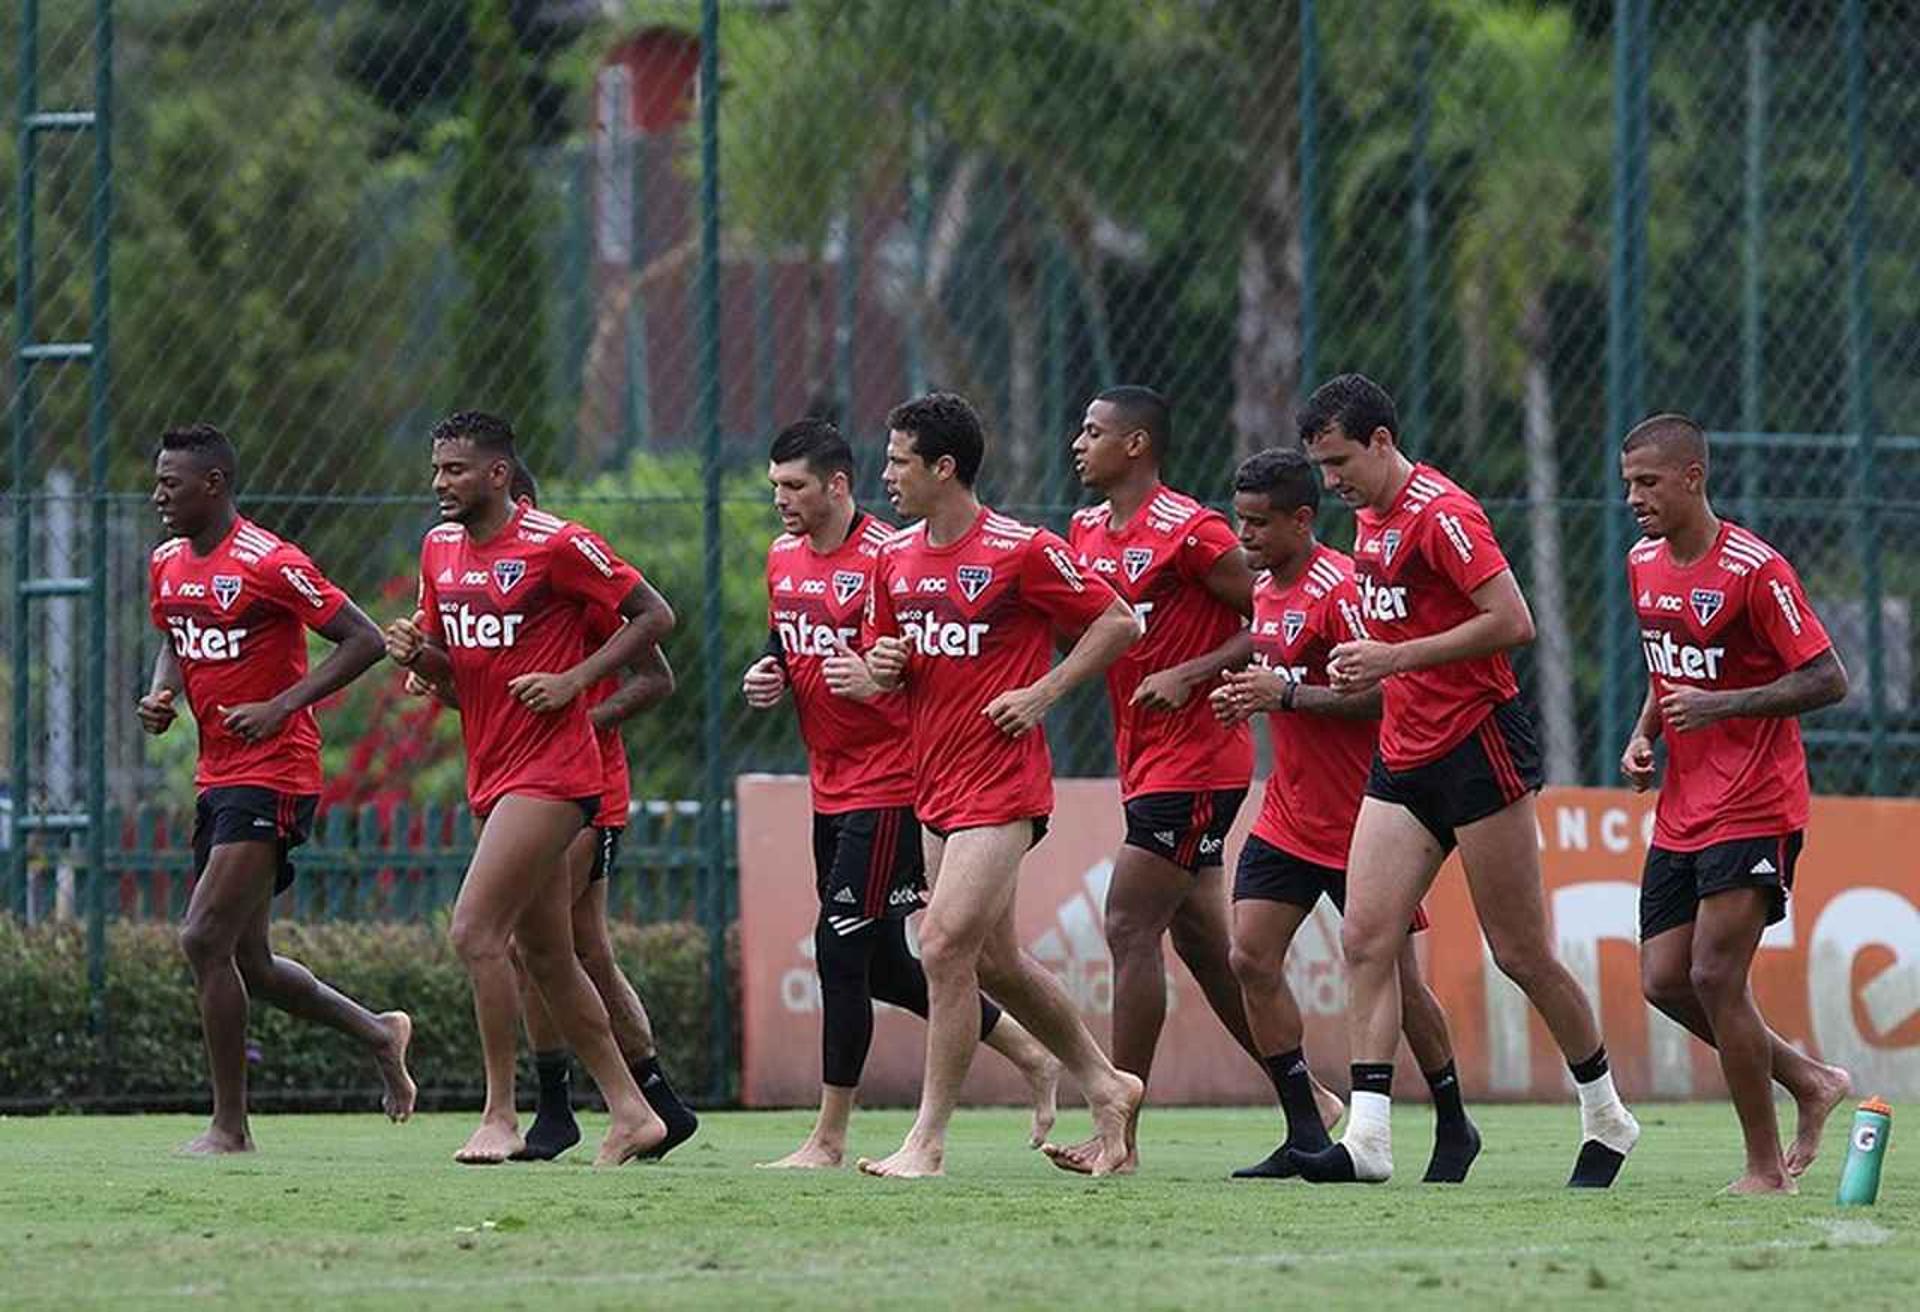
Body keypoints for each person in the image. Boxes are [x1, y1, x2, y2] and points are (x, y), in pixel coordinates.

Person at [1286, 374, 1638, 1187]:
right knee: (1366, 938)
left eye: (1339, 461)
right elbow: (1403, 626)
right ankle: (1369, 1142)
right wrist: (1366, 666)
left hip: (1479, 746)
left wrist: (1395, 656)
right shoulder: (1368, 518)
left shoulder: (1442, 513)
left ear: (1381, 442)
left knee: (1521, 953)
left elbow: (1515, 623)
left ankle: (1607, 1116)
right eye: (1321, 465)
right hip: (1402, 753)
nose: (1331, 481)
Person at [742, 417, 1061, 1169]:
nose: (781, 501)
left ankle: (828, 1138)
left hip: (894, 781)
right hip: (830, 781)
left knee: (839, 946)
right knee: (890, 962)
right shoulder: (783, 557)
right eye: (775, 487)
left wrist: (879, 677)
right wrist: (770, 672)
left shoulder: (893, 554)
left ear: (837, 485)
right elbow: (788, 639)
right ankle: (1035, 1056)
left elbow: (921, 657)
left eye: (794, 486)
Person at [853, 391, 1145, 1178]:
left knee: (942, 945)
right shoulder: (893, 556)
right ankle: (1107, 1084)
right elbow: (892, 657)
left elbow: (1120, 621)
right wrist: (882, 667)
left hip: (1003, 783)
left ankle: (928, 1141)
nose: (885, 473)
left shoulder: (1021, 549)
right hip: (934, 786)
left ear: (944, 468)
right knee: (995, 961)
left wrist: (1045, 691)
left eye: (898, 460)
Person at [1049, 386, 1334, 1175]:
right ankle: (1313, 1104)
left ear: (1136, 445)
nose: (1079, 443)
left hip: (1201, 758)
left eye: (1093, 431)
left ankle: (1119, 1132)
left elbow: (1269, 614)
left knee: (1127, 925)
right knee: (1211, 951)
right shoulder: (1083, 531)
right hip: (1143, 760)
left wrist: (1194, 670)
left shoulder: (1193, 531)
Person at [383, 410, 673, 1166]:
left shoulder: (556, 542)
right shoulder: (439, 550)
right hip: (494, 769)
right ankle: (635, 1113)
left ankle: (500, 1114)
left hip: (556, 772)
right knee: (545, 954)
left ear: (499, 474)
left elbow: (654, 618)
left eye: (455, 469)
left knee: (474, 931)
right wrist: (419, 655)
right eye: (436, 468)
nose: (439, 483)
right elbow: (454, 676)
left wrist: (576, 681)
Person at [140, 422, 415, 1154]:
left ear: (214, 485)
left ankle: (230, 1128)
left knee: (202, 939)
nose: (157, 494)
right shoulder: (167, 562)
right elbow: (176, 632)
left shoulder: (268, 561)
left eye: (171, 483)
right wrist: (162, 694)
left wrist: (283, 705)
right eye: (157, 480)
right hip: (217, 774)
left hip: (275, 772)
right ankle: (380, 1033)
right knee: (250, 965)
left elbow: (362, 638)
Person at [1211, 447, 1477, 1182]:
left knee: (1401, 983)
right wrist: (1249, 695)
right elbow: (1281, 682)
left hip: (1366, 815)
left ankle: (1454, 1123)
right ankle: (1304, 1126)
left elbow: (1388, 692)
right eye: (1240, 522)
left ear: (1304, 520)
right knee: (1250, 957)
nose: (1247, 537)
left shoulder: (1343, 588)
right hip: (1289, 815)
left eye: (1261, 523)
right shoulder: (1263, 591)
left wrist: (1286, 695)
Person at [1619, 412, 1853, 1194]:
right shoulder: (1642, 563)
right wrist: (1644, 733)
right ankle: (1810, 1080)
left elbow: (1827, 678)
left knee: (1716, 975)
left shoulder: (1757, 569)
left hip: (1756, 800)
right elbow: (1667, 666)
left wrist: (1722, 707)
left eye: (1648, 483)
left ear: (1693, 477)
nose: (1635, 499)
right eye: (1627, 485)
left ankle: (1765, 1170)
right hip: (1684, 805)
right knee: (1663, 979)